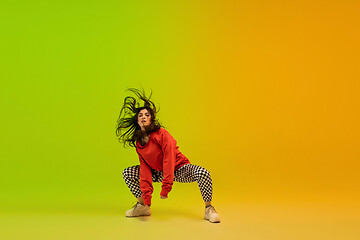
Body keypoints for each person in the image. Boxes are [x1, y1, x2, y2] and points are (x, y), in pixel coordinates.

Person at [116, 88, 220, 223]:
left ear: (151, 119)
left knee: (203, 173)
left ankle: (209, 209)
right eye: (140, 115)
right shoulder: (139, 143)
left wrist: (166, 188)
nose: (143, 117)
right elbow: (145, 169)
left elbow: (169, 158)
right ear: (137, 120)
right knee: (128, 173)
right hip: (158, 172)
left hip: (178, 169)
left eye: (147, 115)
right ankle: (143, 207)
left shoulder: (162, 134)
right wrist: (147, 198)